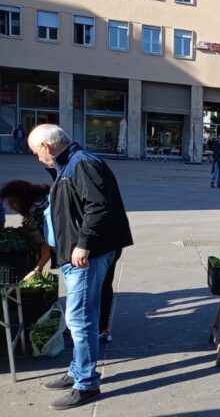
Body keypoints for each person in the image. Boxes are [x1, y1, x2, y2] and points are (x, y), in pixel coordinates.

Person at [27, 124, 133, 409]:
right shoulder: (70, 163)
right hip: (80, 253)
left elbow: (97, 206)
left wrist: (83, 243)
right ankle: (77, 371)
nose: (37, 159)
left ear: (47, 146)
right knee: (82, 317)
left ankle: (86, 383)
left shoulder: (82, 163)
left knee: (80, 319)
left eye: (36, 152)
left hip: (87, 255)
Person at [0, 180, 52, 281]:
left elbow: (46, 245)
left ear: (22, 198)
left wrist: (37, 269)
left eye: (13, 202)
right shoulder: (39, 199)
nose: (11, 207)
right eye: (8, 204)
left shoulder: (37, 209)